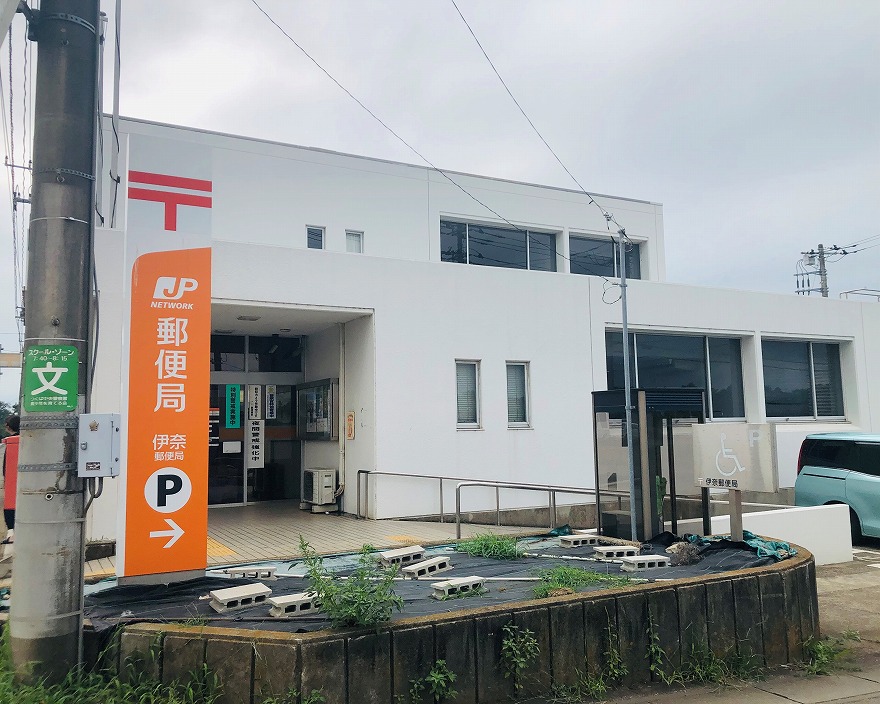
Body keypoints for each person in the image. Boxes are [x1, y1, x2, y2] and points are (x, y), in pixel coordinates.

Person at [2, 414, 19, 544]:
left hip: (12, 478)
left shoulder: (13, 442)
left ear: (8, 427)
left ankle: (12, 535)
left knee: (10, 506)